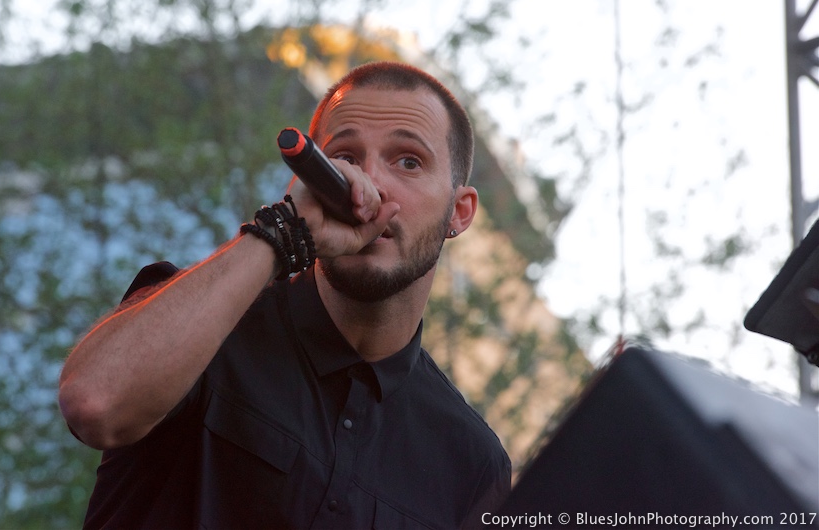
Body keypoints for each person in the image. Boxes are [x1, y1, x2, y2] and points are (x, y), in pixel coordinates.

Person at [58, 60, 511, 529]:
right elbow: (95, 406)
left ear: (459, 212)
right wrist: (281, 233)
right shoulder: (200, 324)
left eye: (409, 161)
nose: (370, 183)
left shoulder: (474, 465)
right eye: (347, 157)